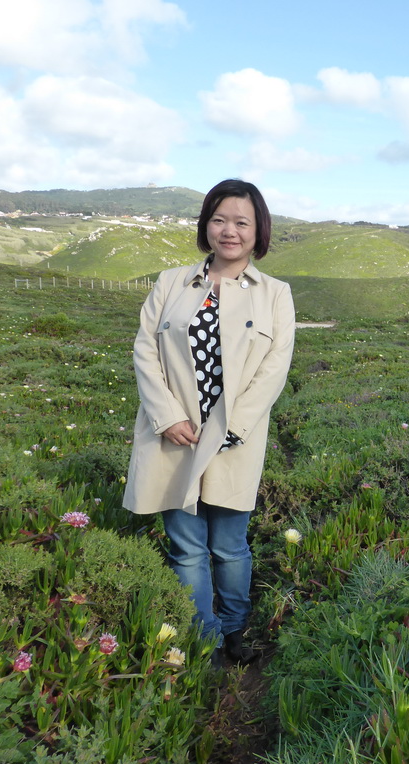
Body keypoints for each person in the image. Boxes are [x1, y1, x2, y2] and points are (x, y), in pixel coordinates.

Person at [123, 179, 295, 665]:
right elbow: (145, 352)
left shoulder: (275, 294)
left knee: (230, 546)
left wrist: (233, 428)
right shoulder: (171, 282)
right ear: (205, 225)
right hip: (175, 435)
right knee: (187, 550)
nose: (229, 231)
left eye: (242, 222)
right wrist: (168, 416)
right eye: (219, 219)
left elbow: (274, 367)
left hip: (234, 439)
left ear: (258, 229)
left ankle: (236, 628)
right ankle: (207, 638)